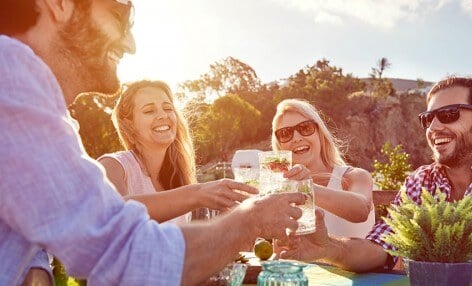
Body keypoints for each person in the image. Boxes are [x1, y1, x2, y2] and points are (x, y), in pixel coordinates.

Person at [0, 1, 306, 285]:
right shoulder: (9, 74)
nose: (130, 44)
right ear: (59, 3)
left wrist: (33, 266)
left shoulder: (27, 103)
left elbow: (30, 221)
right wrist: (250, 220)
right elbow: (125, 254)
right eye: (118, 16)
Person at [279, 76, 472, 272]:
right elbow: (379, 248)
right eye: (428, 119)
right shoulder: (421, 181)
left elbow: (360, 209)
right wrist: (327, 247)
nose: (433, 127)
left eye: (449, 114)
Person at [98, 80, 254, 223]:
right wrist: (197, 194)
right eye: (149, 111)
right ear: (129, 125)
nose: (163, 115)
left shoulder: (177, 177)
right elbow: (116, 212)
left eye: (168, 108)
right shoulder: (113, 166)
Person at [272, 99, 375, 238]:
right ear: (280, 146)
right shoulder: (283, 192)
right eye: (285, 133)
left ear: (320, 134)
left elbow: (361, 210)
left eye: (305, 128)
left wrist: (308, 188)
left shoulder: (354, 176)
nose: (296, 138)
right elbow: (282, 252)